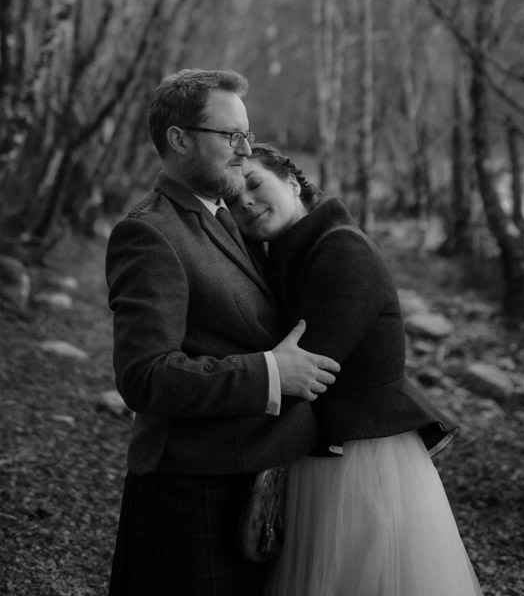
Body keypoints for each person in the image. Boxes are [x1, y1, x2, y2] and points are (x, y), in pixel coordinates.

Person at [105, 69, 340, 596]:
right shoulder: (148, 233)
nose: (244, 149)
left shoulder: (227, 215)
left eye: (248, 135)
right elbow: (144, 376)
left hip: (250, 475)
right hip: (191, 489)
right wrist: (270, 373)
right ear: (180, 139)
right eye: (231, 136)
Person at [228, 143, 484, 596]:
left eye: (254, 183)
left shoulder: (341, 248)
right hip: (327, 443)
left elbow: (312, 365)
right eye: (232, 198)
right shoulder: (289, 252)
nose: (244, 201)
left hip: (364, 456)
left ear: (291, 181)